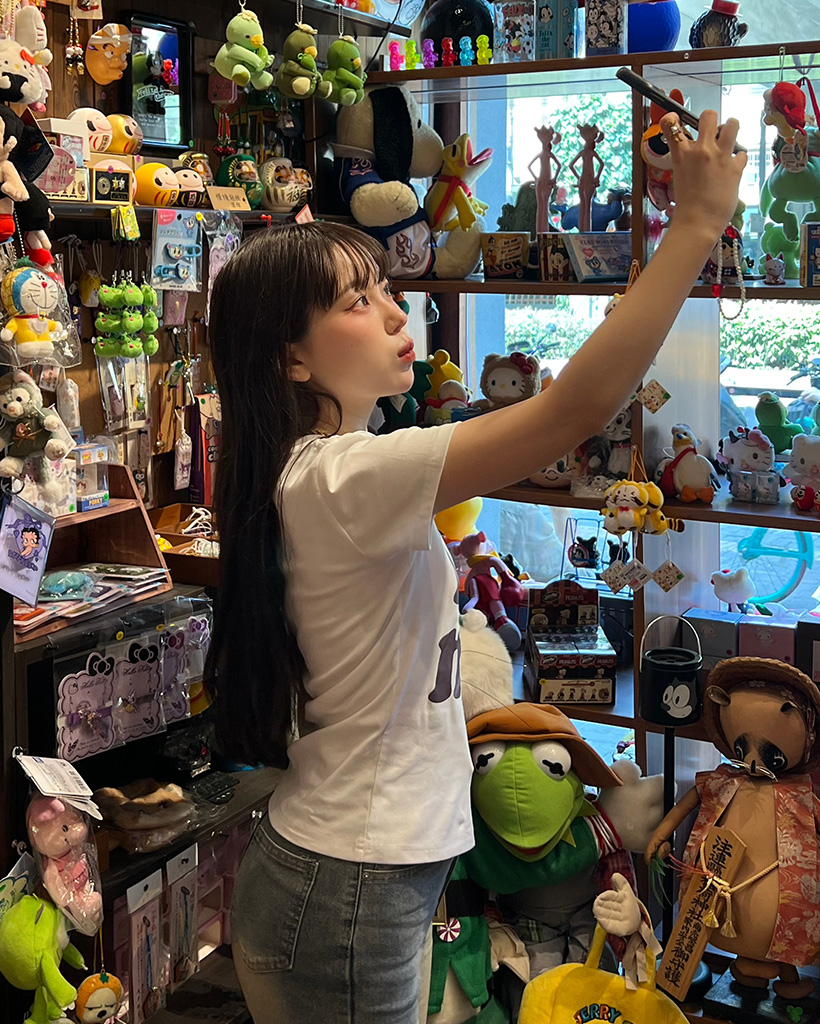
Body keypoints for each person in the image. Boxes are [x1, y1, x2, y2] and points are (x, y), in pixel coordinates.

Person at [206, 109, 745, 1024]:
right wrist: (693, 225)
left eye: (385, 288)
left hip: (353, 877)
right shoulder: (343, 476)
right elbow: (571, 413)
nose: (394, 312)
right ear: (290, 358)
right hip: (345, 889)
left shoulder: (332, 472)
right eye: (355, 301)